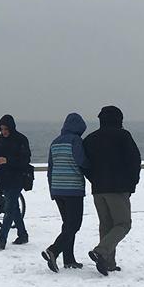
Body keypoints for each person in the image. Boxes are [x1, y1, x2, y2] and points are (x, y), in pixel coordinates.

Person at [82, 105, 141, 276]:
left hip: (98, 188)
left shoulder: (90, 139)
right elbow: (134, 160)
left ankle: (108, 263)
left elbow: (85, 164)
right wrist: (132, 184)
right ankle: (101, 251)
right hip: (118, 187)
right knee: (123, 223)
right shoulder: (123, 136)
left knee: (106, 225)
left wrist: (94, 179)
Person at [42, 113, 88, 272]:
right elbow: (82, 161)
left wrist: (52, 190)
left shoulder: (55, 142)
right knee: (74, 224)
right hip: (73, 188)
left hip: (57, 188)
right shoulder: (76, 141)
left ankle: (69, 259)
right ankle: (54, 250)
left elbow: (50, 167)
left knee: (67, 225)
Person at [0, 114, 31, 250]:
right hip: (3, 178)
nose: (4, 131)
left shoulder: (21, 140)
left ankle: (2, 239)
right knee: (14, 208)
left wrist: (7, 160)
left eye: (6, 129)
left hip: (17, 178)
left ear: (11, 128)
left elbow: (25, 160)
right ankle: (23, 235)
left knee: (9, 208)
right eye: (2, 129)